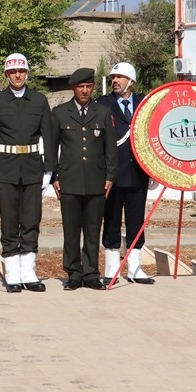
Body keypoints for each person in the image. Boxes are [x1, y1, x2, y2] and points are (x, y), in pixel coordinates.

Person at [0, 52, 55, 292]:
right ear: (6, 74)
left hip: (33, 166)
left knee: (31, 220)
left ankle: (29, 272)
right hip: (7, 168)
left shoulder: (39, 100)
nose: (17, 75)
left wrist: (49, 170)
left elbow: (49, 136)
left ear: (27, 73)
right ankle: (12, 272)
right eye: (13, 72)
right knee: (10, 221)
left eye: (21, 71)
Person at [51, 68, 117, 291]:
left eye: (88, 87)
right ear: (73, 88)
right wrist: (54, 176)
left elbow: (110, 149)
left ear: (93, 88)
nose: (85, 91)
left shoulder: (103, 112)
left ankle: (90, 274)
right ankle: (73, 273)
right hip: (69, 180)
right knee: (71, 230)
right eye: (81, 87)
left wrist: (110, 176)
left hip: (96, 181)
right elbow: (52, 148)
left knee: (92, 229)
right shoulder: (60, 113)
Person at [98, 61, 155, 284]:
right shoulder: (103, 104)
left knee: (136, 221)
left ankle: (135, 268)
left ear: (131, 80)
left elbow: (154, 134)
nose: (115, 81)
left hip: (138, 173)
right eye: (113, 77)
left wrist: (154, 171)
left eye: (119, 77)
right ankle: (112, 270)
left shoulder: (145, 103)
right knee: (111, 221)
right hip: (112, 174)